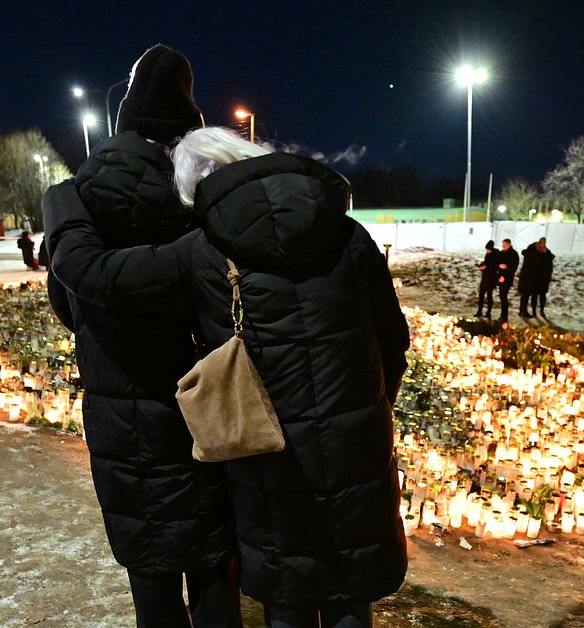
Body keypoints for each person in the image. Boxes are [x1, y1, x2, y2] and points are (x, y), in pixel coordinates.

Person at [48, 126, 409, 628]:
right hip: (356, 450)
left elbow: (92, 274)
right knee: (350, 592)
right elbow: (393, 338)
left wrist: (62, 204)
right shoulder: (348, 234)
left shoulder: (202, 251)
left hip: (267, 457)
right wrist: (367, 410)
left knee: (290, 594)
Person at [44, 45, 240, 628]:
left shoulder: (80, 196)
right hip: (201, 406)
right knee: (212, 561)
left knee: (150, 567)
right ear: (187, 129)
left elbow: (68, 305)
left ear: (124, 121)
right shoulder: (198, 197)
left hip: (118, 410)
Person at [518, 238, 555, 318]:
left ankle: (538, 310)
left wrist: (548, 275)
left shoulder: (546, 253)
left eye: (544, 243)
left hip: (541, 279)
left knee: (539, 295)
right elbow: (529, 267)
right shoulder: (532, 252)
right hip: (531, 279)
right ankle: (527, 311)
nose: (543, 244)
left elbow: (549, 267)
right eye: (541, 242)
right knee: (528, 295)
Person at [496, 239, 519, 323]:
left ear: (509, 244)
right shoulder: (502, 253)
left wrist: (505, 270)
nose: (503, 246)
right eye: (502, 245)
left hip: (507, 279)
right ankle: (502, 316)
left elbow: (513, 268)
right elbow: (498, 263)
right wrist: (500, 267)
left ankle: (504, 317)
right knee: (502, 297)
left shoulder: (513, 254)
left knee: (504, 297)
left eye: (504, 245)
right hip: (501, 278)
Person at [475, 240, 498, 318]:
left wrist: (486, 267)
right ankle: (479, 311)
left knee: (489, 296)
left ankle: (488, 312)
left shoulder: (495, 255)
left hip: (491, 279)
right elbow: (486, 262)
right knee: (481, 295)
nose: (487, 251)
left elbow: (495, 267)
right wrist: (481, 265)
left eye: (488, 249)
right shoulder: (488, 254)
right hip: (485, 278)